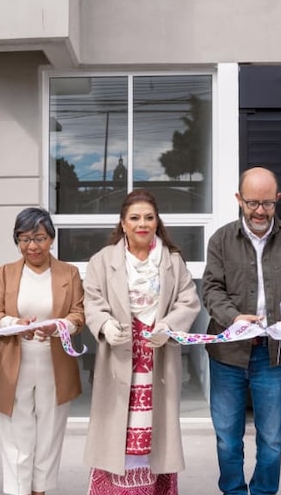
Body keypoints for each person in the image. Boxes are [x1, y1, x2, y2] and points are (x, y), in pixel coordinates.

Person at [201, 166, 281, 495]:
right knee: (227, 437)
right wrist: (232, 318)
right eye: (252, 202)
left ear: (277, 200)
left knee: (272, 440)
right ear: (239, 199)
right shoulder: (221, 240)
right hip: (228, 354)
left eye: (267, 203)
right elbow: (211, 290)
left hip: (274, 354)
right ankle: (234, 491)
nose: (259, 211)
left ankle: (264, 492)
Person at [82, 189, 201, 495]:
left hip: (157, 361)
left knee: (155, 434)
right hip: (118, 361)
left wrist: (168, 326)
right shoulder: (103, 260)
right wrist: (106, 324)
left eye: (149, 217)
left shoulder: (173, 261)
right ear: (122, 223)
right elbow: (92, 299)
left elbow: (188, 301)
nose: (142, 224)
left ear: (157, 222)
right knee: (116, 430)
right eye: (134, 218)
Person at [0, 207, 85, 495]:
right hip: (14, 365)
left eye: (39, 238)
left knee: (49, 436)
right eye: (24, 239)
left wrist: (59, 326)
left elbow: (79, 315)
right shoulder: (4, 273)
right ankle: (18, 490)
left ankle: (41, 490)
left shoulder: (69, 273)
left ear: (51, 238)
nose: (32, 246)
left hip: (55, 365)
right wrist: (15, 324)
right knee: (17, 437)